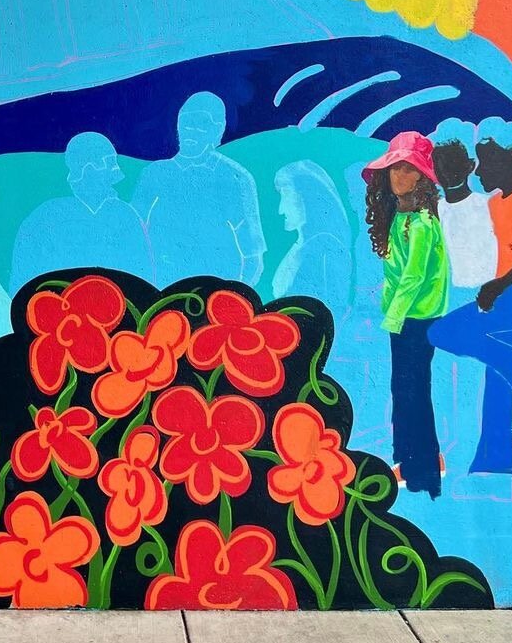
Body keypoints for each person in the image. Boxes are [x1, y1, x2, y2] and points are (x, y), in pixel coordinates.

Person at [428, 119, 512, 474]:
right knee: (497, 375)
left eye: (486, 161)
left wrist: (498, 285)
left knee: (442, 332)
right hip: (508, 295)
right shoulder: (495, 203)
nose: (480, 169)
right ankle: (497, 457)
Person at [362, 131, 449, 498]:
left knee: (413, 390)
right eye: (394, 169)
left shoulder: (423, 223)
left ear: (423, 178)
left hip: (417, 319)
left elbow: (413, 277)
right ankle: (408, 458)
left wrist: (392, 317)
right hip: (404, 318)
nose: (399, 176)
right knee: (404, 389)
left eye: (407, 169)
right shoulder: (401, 219)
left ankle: (424, 468)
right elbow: (396, 275)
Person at [132, 92, 265, 287]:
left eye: (203, 123)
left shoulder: (235, 178)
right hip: (160, 290)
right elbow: (133, 234)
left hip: (216, 292)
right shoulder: (155, 174)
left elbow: (253, 254)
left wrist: (234, 298)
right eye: (186, 121)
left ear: (218, 130)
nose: (191, 130)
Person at [9, 132, 153, 292]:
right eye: (109, 165)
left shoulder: (125, 215)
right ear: (87, 170)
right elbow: (23, 277)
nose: (117, 175)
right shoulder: (46, 216)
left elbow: (143, 272)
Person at [271, 160, 354, 315]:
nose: (281, 209)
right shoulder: (300, 245)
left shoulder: (327, 248)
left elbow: (333, 310)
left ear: (307, 199)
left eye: (287, 196)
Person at [431, 123, 497, 297]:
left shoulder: (488, 204)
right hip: (454, 293)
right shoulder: (438, 210)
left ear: (469, 166)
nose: (446, 173)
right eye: (440, 167)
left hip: (489, 289)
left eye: (452, 165)